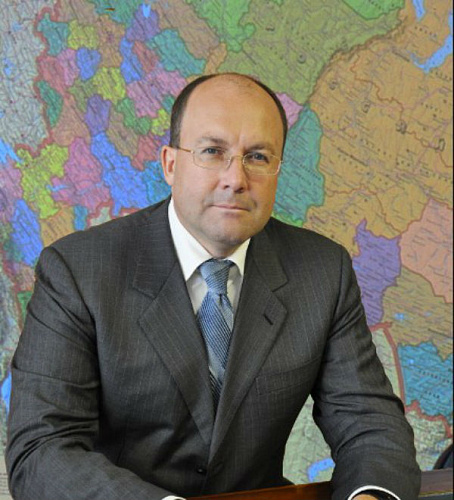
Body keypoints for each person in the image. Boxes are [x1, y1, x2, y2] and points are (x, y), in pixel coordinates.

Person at [6, 73, 420, 500]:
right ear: (170, 164)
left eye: (257, 156)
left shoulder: (322, 271)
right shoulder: (78, 271)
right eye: (212, 152)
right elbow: (42, 449)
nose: (236, 178)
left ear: (278, 169)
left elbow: (369, 423)